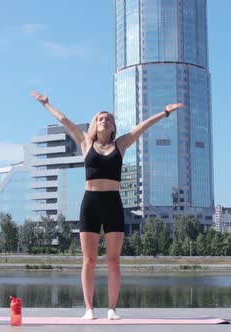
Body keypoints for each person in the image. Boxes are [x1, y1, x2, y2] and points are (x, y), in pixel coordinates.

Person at [31, 90, 183, 320]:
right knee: (89, 260)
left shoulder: (120, 145)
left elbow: (142, 127)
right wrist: (46, 104)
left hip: (113, 203)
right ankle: (89, 309)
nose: (105, 120)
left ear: (113, 127)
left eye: (109, 119)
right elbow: (64, 121)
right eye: (101, 118)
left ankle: (112, 308)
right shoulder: (85, 142)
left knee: (113, 260)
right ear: (95, 124)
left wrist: (165, 113)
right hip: (90, 203)